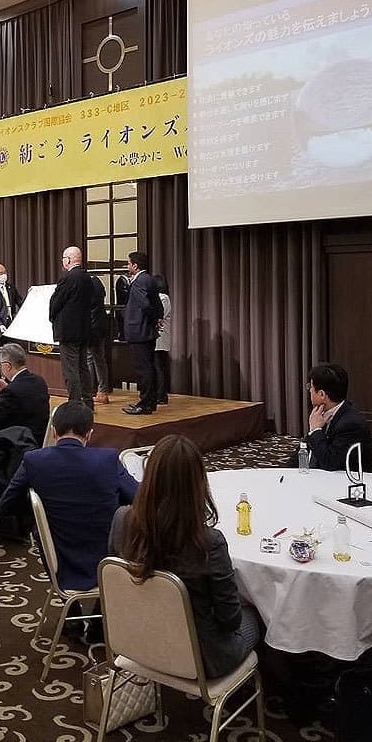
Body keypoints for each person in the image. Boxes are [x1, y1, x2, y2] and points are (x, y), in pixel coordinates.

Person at [109, 434, 262, 679]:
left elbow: (119, 583)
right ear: (198, 484)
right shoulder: (208, 542)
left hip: (139, 642)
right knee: (260, 613)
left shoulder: (122, 520)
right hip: (202, 659)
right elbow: (229, 621)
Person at [0, 400, 138, 592]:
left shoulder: (34, 460)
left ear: (53, 431)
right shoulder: (107, 459)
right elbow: (138, 497)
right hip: (109, 563)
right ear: (89, 434)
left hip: (59, 561)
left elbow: (6, 504)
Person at [300, 362, 372, 473]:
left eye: (311, 387)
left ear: (322, 394)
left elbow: (330, 463)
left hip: (347, 481)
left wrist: (315, 431)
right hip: (320, 477)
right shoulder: (321, 414)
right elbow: (303, 450)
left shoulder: (351, 424)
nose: (310, 391)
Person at [49, 246, 95, 411]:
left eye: (63, 258)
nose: (62, 261)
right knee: (83, 368)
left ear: (68, 259)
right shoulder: (87, 278)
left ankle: (75, 404)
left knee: (71, 369)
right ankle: (88, 402)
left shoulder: (69, 278)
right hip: (84, 330)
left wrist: (51, 317)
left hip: (68, 332)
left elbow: (56, 302)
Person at [122, 252, 162, 415]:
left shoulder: (139, 281)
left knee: (143, 370)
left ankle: (144, 403)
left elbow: (145, 305)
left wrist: (151, 320)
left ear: (135, 265)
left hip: (139, 331)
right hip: (147, 331)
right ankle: (150, 402)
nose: (127, 266)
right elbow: (157, 304)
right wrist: (156, 319)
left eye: (128, 263)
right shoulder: (150, 279)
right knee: (149, 367)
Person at [0, 263, 23, 378]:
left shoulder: (10, 288)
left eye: (5, 272)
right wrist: (0, 325)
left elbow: (20, 302)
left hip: (10, 328)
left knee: (12, 355)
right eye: (1, 273)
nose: (4, 275)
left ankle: (10, 379)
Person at [87, 274, 111, 405]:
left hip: (92, 327)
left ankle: (94, 391)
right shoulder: (97, 282)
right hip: (100, 326)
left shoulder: (89, 285)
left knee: (91, 359)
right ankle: (101, 390)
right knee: (98, 359)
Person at [154, 272, 172, 406]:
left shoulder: (163, 298)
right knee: (157, 366)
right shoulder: (158, 297)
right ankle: (158, 393)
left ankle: (161, 395)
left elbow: (159, 315)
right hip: (156, 337)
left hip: (160, 337)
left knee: (159, 366)